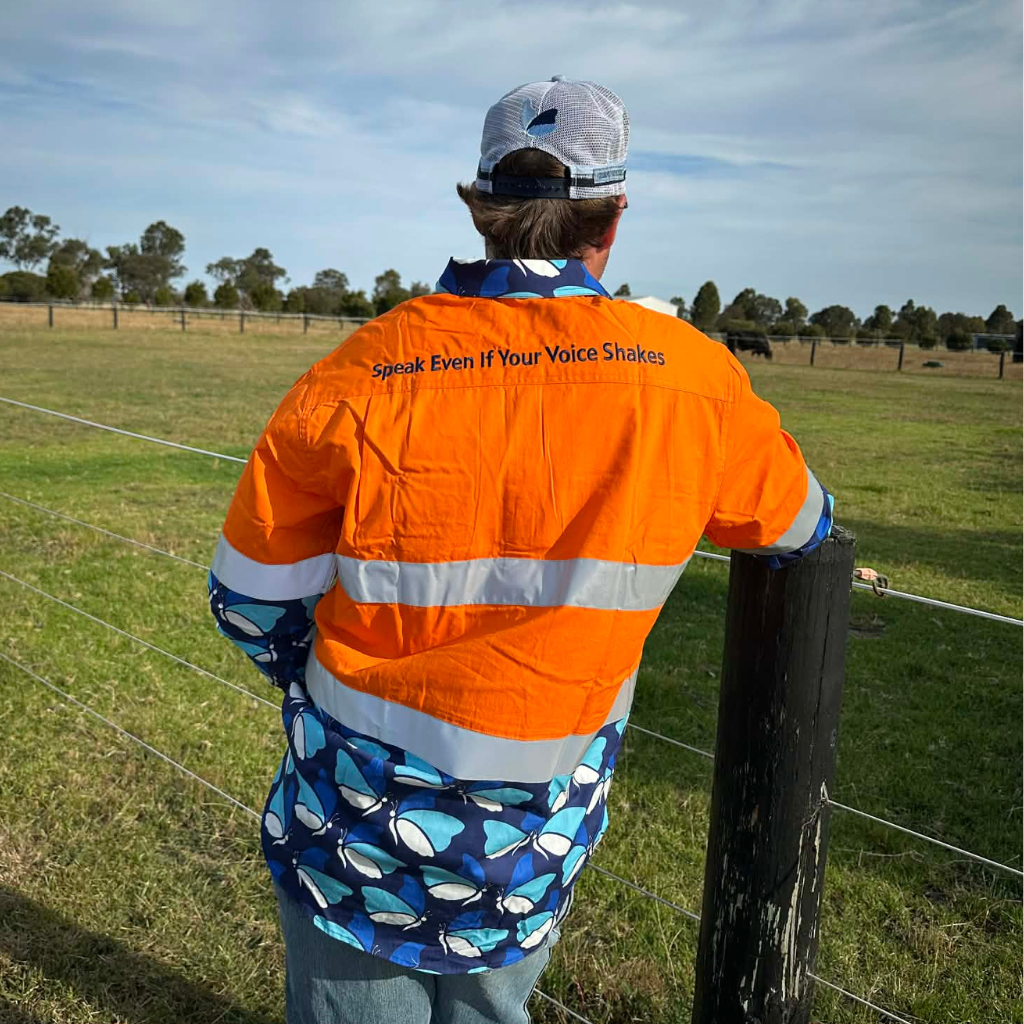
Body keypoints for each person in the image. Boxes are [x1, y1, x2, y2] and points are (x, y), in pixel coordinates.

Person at [209, 76, 833, 1024]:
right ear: (611, 221)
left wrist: (320, 694)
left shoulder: (358, 371)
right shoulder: (695, 380)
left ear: (483, 208)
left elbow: (251, 600)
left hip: (350, 827)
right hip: (533, 839)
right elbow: (801, 525)